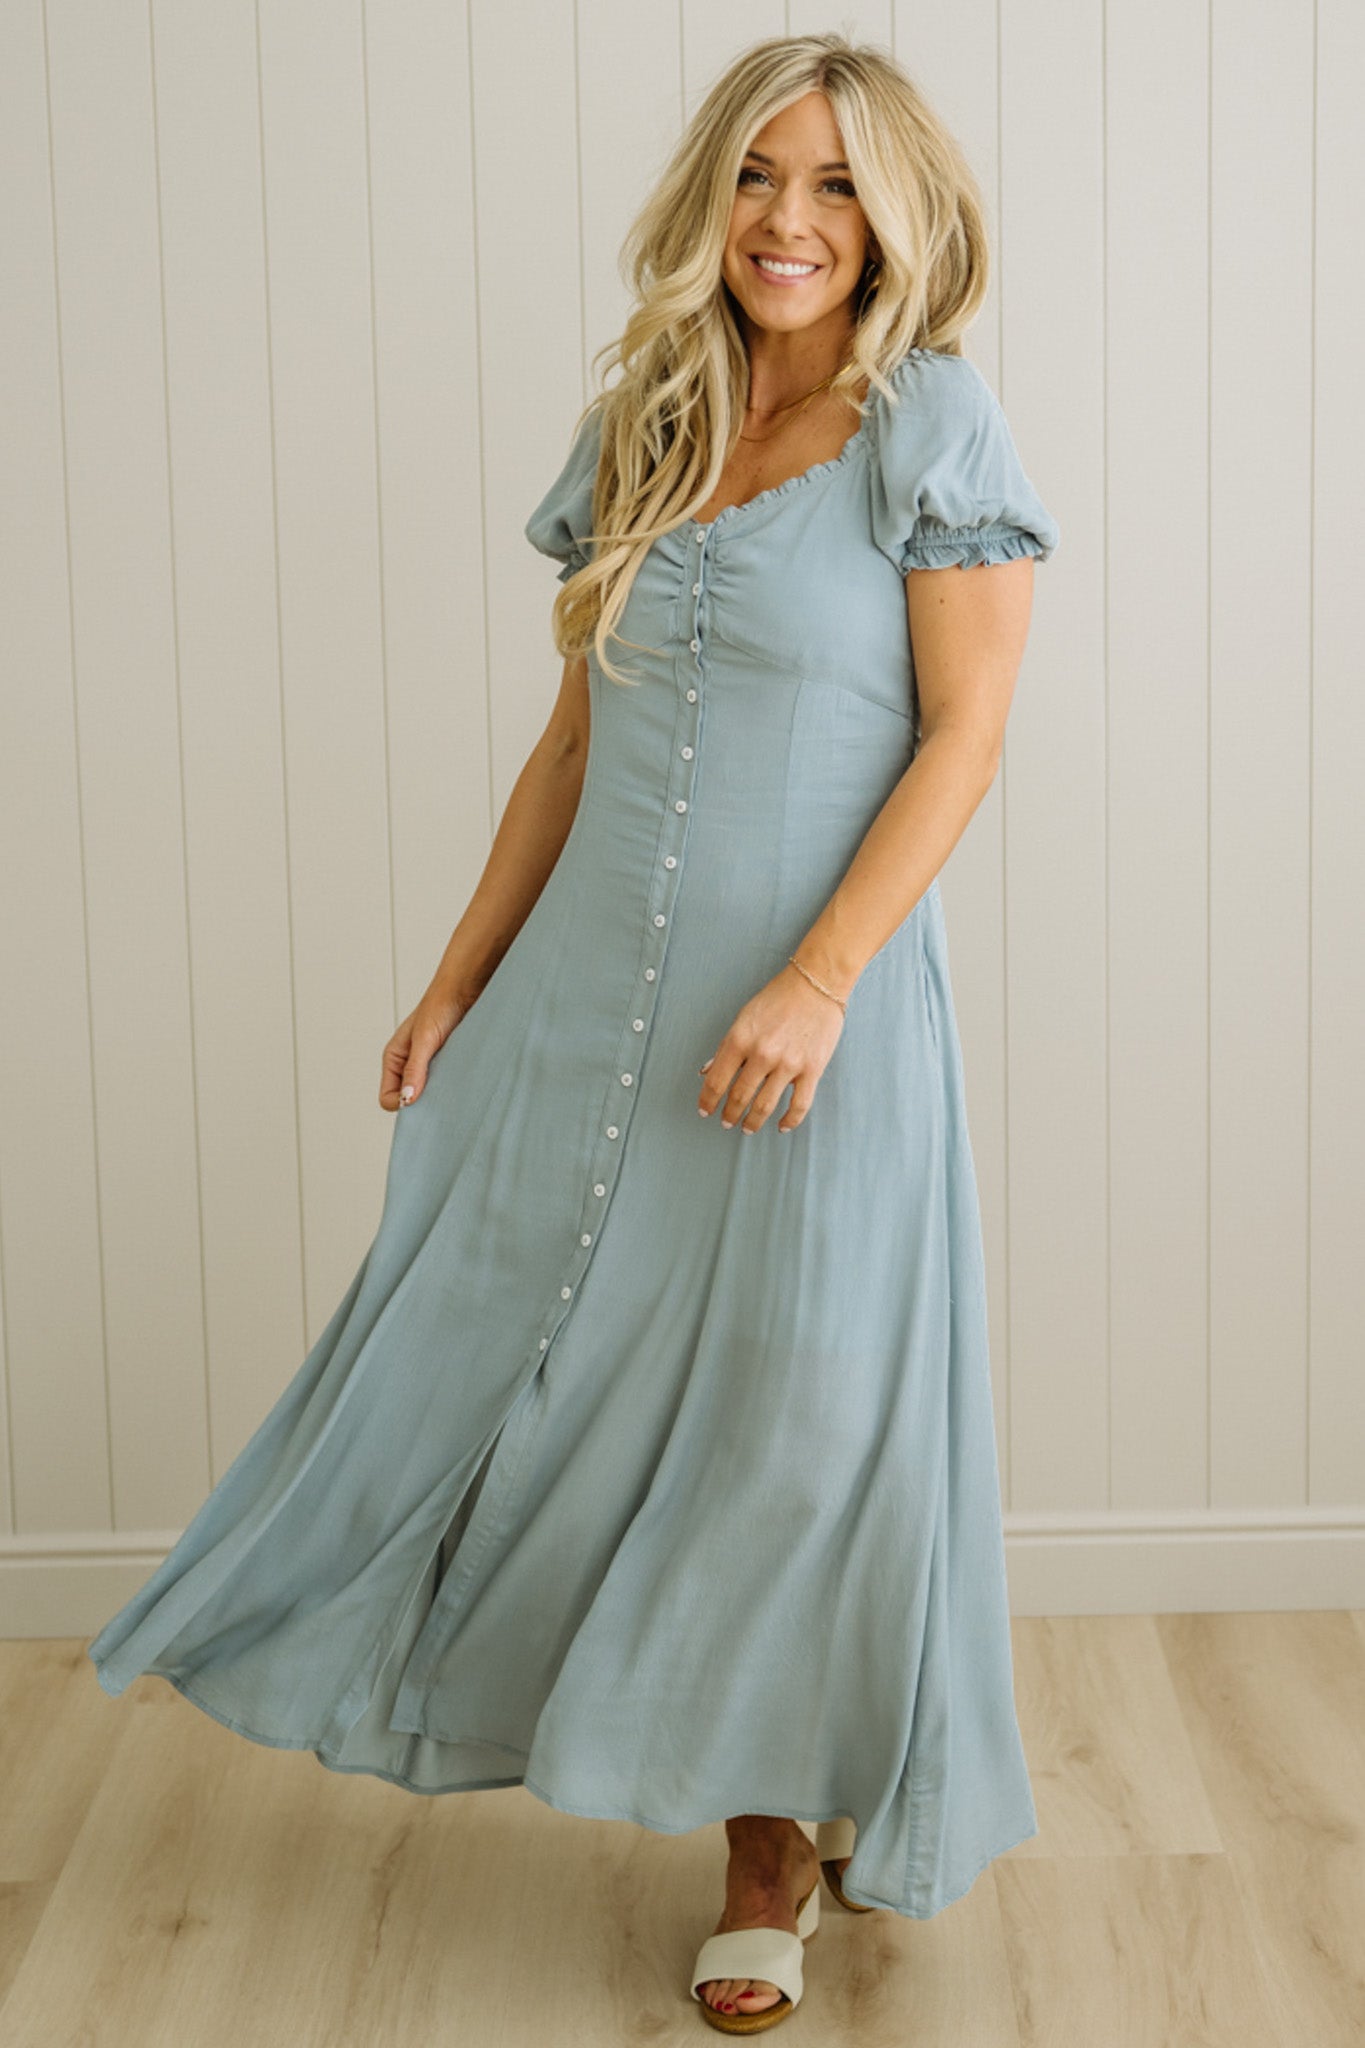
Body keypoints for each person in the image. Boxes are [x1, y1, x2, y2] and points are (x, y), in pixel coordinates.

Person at [86, 30, 1059, 2038]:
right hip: (586, 1013)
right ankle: (584, 1716)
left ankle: (769, 1851)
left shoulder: (929, 427)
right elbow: (572, 735)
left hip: (818, 1027)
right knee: (512, 1373)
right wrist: (455, 974)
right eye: (757, 178)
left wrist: (817, 979)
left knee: (796, 1424)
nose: (790, 221)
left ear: (894, 221)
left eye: (835, 186)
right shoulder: (647, 416)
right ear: (708, 196)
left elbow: (967, 736)